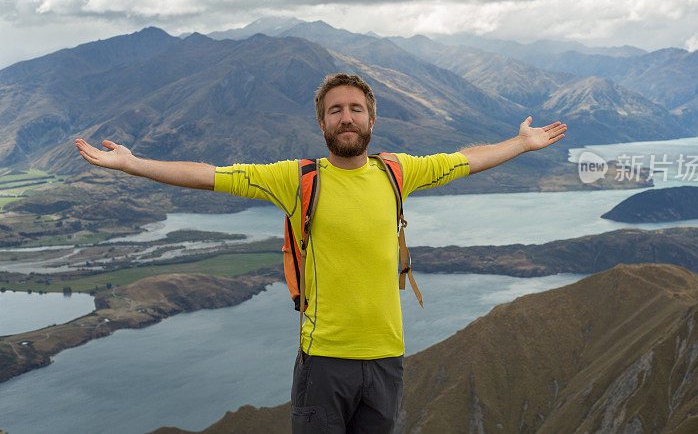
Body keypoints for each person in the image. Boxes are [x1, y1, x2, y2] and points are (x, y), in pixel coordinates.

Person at [75, 73, 567, 433]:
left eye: (355, 109)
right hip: (323, 363)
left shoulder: (398, 173)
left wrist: (520, 144)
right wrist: (134, 164)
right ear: (322, 123)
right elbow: (211, 174)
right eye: (335, 110)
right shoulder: (298, 179)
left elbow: (464, 161)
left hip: (386, 361)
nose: (346, 117)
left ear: (371, 120)